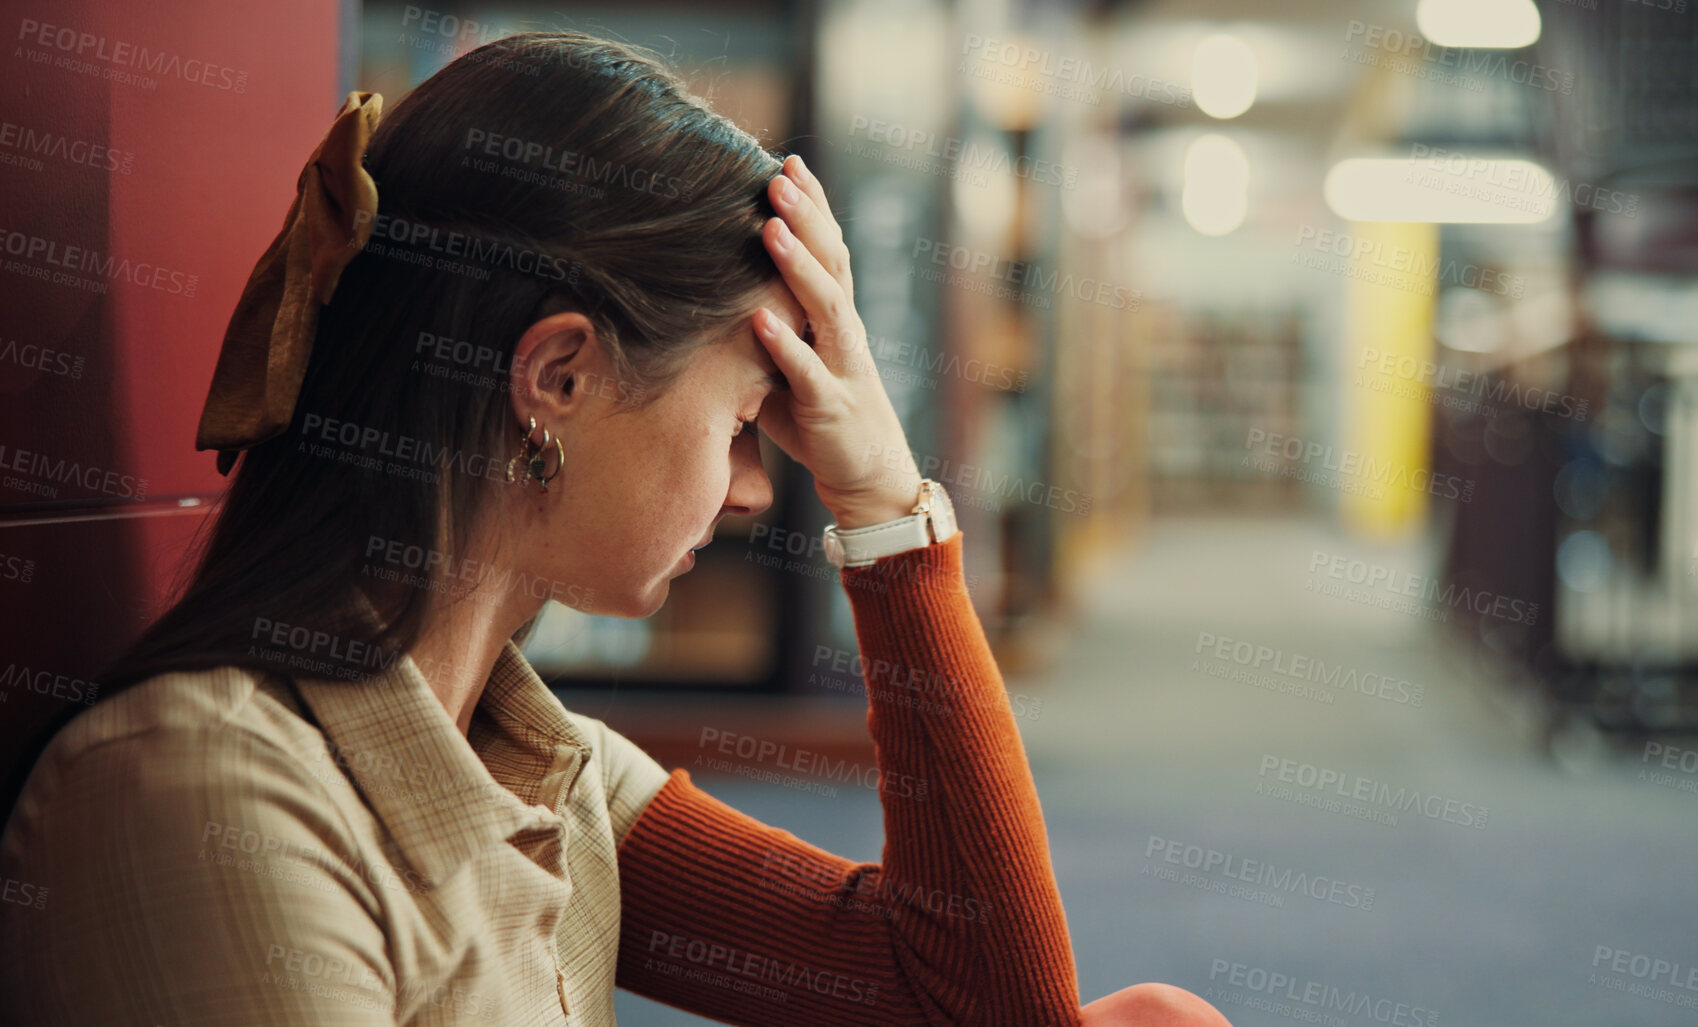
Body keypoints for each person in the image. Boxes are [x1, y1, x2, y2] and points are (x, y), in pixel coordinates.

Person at [0, 31, 1232, 1027]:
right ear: (558, 380)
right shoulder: (212, 789)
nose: (756, 489)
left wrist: (886, 510)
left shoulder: (542, 764)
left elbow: (974, 1002)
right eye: (747, 421)